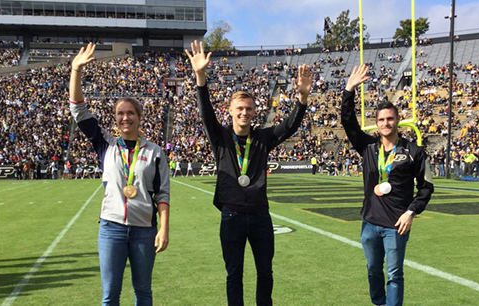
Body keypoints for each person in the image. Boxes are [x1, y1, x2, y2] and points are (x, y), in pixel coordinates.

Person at [185, 40, 311, 306]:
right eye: (239, 108)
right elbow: (205, 113)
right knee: (234, 275)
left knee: (266, 272)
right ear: (230, 111)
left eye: (248, 109)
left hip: (260, 216)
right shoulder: (220, 137)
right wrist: (200, 77)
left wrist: (301, 98)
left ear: (254, 112)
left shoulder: (263, 138)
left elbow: (288, 127)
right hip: (231, 215)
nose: (244, 112)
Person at [69, 43, 170, 306]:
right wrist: (76, 70)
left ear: (139, 116)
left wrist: (164, 229)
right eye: (120, 114)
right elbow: (79, 111)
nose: (125, 118)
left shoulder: (156, 152)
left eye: (130, 113)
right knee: (110, 295)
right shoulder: (106, 144)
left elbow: (162, 194)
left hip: (144, 232)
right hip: (111, 228)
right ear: (115, 119)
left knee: (143, 292)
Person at [340, 65, 434, 306]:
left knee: (394, 275)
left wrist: (411, 212)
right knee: (373, 271)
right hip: (370, 223)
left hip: (396, 226)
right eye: (381, 119)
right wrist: (349, 90)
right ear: (376, 123)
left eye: (390, 118)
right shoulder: (368, 147)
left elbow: (426, 187)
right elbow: (349, 123)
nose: (386, 123)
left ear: (398, 120)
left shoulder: (414, 152)